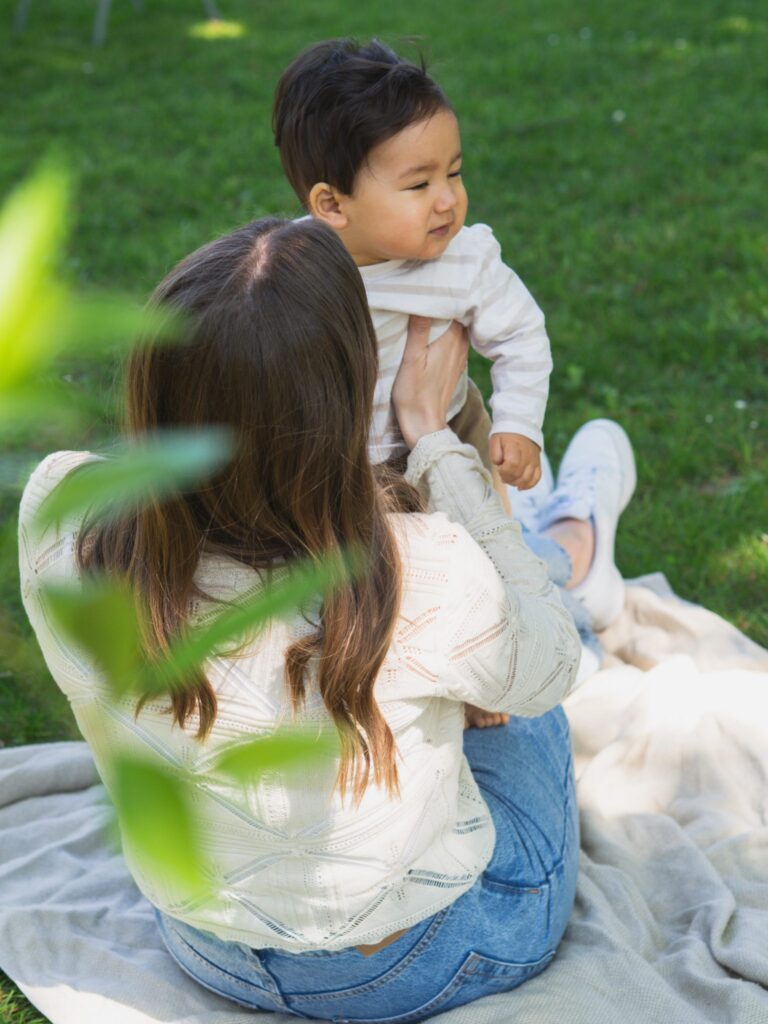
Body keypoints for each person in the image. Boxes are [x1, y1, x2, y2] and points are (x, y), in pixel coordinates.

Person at [19, 217, 636, 1021]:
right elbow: (551, 669)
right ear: (348, 393)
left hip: (209, 943)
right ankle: (572, 544)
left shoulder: (63, 515)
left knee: (464, 644)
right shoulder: (420, 568)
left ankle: (559, 553)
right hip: (422, 958)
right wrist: (433, 437)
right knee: (531, 650)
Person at [273, 38, 552, 510]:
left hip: (453, 435)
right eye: (420, 184)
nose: (447, 200)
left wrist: (518, 424)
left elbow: (521, 335)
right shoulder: (289, 268)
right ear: (333, 204)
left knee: (488, 558)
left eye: (454, 173)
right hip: (340, 464)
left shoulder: (465, 260)